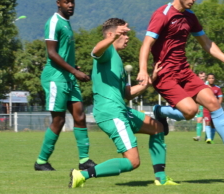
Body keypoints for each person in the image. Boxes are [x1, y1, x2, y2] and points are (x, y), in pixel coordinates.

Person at [137, 0, 224, 161]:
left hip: (184, 72)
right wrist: (143, 70)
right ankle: (159, 111)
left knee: (213, 102)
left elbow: (207, 43)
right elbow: (146, 45)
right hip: (165, 75)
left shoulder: (190, 17)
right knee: (190, 111)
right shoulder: (162, 15)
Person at [69, 18, 178, 188]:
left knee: (157, 128)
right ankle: (82, 174)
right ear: (112, 34)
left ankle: (161, 178)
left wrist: (150, 80)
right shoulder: (107, 52)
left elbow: (127, 94)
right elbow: (96, 51)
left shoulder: (117, 59)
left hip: (121, 110)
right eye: (124, 33)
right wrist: (111, 39)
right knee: (132, 162)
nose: (127, 37)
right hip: (111, 113)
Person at [35, 0, 96, 171]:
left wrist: (73, 68)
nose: (70, 5)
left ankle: (84, 160)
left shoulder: (67, 23)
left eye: (72, 1)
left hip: (68, 76)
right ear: (58, 3)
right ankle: (41, 162)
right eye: (66, 2)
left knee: (80, 115)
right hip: (55, 78)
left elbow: (62, 54)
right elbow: (52, 53)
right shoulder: (54, 22)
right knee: (59, 120)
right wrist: (74, 71)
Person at [203, 73, 221, 144]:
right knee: (207, 122)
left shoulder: (217, 88)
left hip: (215, 109)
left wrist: (218, 105)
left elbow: (220, 98)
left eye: (212, 78)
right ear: (207, 79)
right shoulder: (204, 88)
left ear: (214, 79)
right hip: (206, 108)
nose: (211, 79)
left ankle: (211, 138)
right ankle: (209, 139)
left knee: (213, 124)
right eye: (209, 78)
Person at [193, 71, 206, 141]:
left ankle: (208, 137)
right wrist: (197, 107)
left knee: (208, 122)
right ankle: (198, 136)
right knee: (199, 120)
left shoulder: (207, 84)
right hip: (200, 106)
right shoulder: (197, 85)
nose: (202, 78)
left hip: (207, 105)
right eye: (200, 77)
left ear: (205, 77)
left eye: (203, 76)